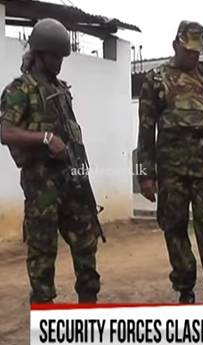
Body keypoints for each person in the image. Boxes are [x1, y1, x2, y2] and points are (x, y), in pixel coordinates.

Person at [0, 18, 101, 303]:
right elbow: (5, 132)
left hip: (73, 182)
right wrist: (44, 138)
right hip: (42, 187)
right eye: (55, 56)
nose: (60, 62)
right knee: (42, 258)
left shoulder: (61, 90)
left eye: (62, 57)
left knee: (86, 246)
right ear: (39, 54)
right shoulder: (20, 89)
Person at [136, 21, 203, 304]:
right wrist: (145, 175)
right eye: (189, 50)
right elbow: (146, 130)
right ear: (176, 45)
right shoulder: (156, 80)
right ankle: (185, 290)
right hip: (171, 171)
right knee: (174, 229)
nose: (194, 56)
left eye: (198, 51)